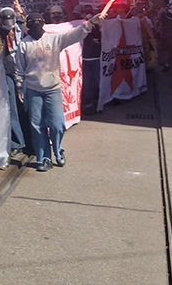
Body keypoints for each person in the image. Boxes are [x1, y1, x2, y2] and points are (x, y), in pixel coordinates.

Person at [15, 11, 105, 172]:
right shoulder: (24, 44)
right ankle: (43, 158)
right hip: (33, 91)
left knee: (57, 125)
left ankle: (57, 150)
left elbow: (73, 35)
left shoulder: (54, 39)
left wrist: (90, 23)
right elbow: (19, 70)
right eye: (32, 24)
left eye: (39, 23)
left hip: (53, 89)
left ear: (43, 24)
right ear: (27, 27)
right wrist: (20, 87)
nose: (36, 27)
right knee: (37, 126)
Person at [0, 7, 27, 156]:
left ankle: (32, 141)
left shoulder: (22, 31)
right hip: (6, 73)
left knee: (26, 107)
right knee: (12, 108)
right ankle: (17, 142)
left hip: (23, 73)